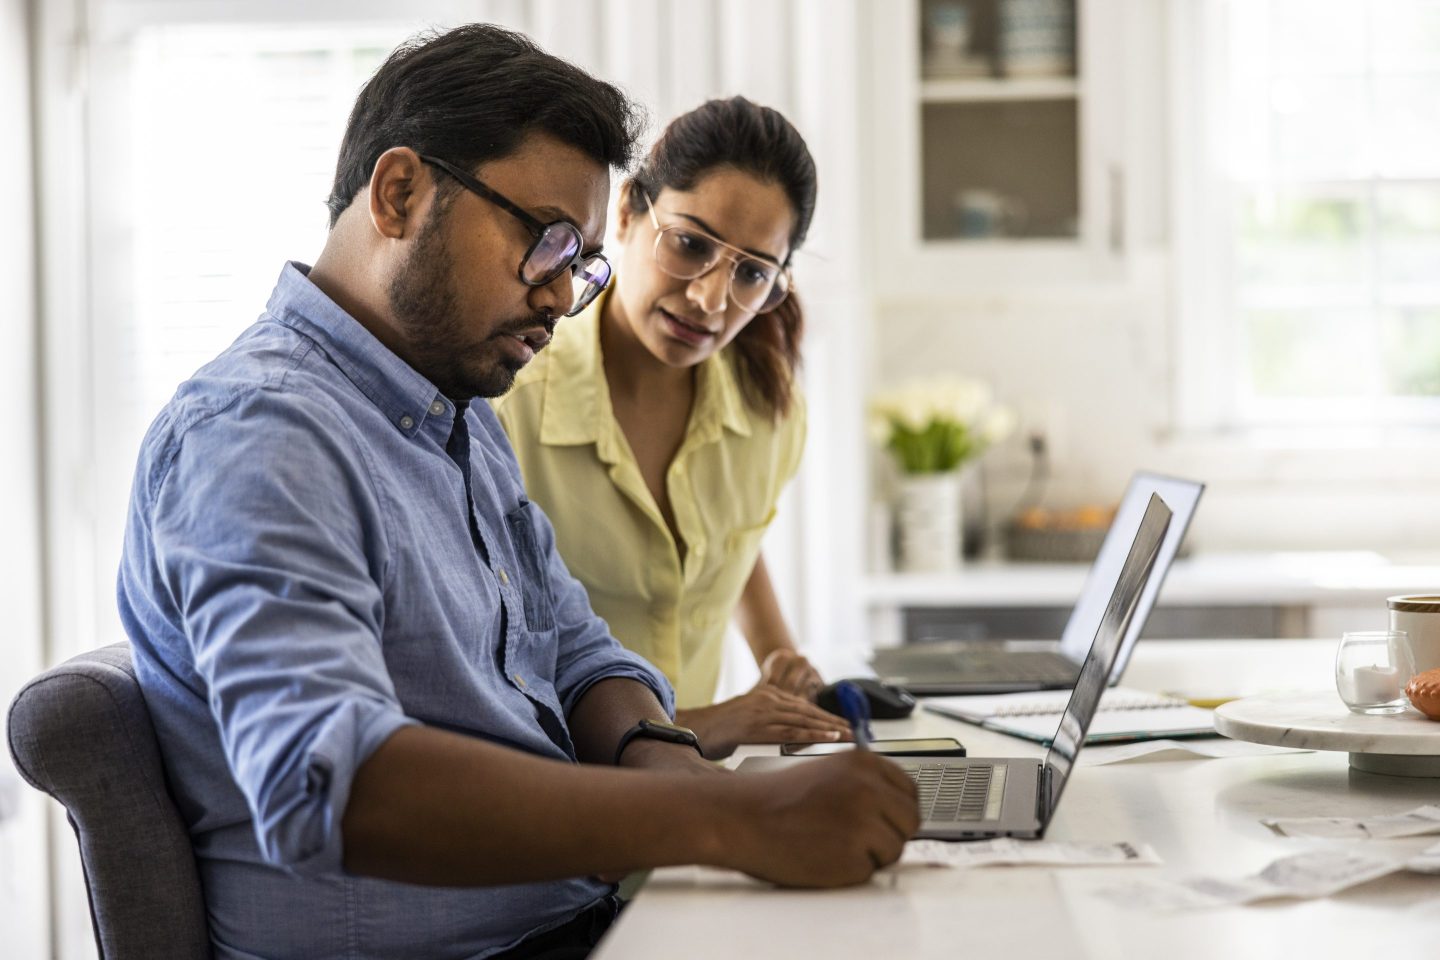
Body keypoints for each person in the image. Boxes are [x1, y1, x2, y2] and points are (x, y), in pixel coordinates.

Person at [117, 24, 917, 960]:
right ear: (401, 192)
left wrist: (671, 771)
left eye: (579, 267)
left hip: (573, 921)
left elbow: (577, 653)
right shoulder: (262, 433)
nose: (557, 297)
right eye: (546, 243)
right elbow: (326, 780)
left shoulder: (451, 412)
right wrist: (719, 813)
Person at [493, 98, 845, 760]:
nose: (712, 300)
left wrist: (782, 658)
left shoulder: (768, 410)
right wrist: (711, 725)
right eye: (690, 245)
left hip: (690, 804)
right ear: (627, 212)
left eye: (751, 272)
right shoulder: (509, 411)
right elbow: (491, 684)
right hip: (561, 803)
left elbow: (725, 546)